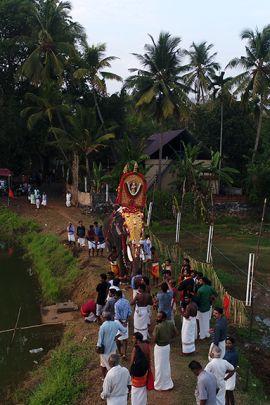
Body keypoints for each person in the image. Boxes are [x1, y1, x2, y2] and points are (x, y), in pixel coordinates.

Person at [97, 312, 127, 378]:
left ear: (104, 318)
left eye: (102, 317)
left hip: (104, 349)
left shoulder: (103, 326)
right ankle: (105, 377)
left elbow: (100, 340)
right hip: (113, 348)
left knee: (105, 365)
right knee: (109, 363)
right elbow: (124, 331)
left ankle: (106, 377)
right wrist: (117, 336)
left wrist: (98, 347)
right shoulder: (116, 324)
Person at [153, 311, 177, 391]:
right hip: (167, 346)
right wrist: (169, 338)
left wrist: (157, 341)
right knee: (166, 365)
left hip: (159, 348)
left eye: (159, 317)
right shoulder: (170, 323)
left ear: (163, 318)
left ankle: (159, 384)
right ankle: (167, 383)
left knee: (159, 366)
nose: (157, 318)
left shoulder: (158, 327)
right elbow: (176, 333)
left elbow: (154, 339)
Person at [130, 332, 150, 405]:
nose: (132, 340)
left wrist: (131, 372)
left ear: (137, 340)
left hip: (136, 374)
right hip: (144, 371)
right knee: (142, 390)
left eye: (133, 338)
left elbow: (132, 362)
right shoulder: (146, 346)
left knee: (135, 392)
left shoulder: (135, 348)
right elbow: (148, 358)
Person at [114, 290, 132, 359]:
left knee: (118, 338)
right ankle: (124, 353)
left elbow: (117, 316)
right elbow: (129, 313)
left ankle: (120, 353)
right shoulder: (127, 301)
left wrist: (121, 323)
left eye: (115, 295)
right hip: (125, 321)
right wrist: (125, 322)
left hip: (118, 322)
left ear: (117, 296)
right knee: (125, 338)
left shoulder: (116, 304)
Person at [224, 337, 238, 405]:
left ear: (233, 344)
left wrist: (226, 378)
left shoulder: (234, 354)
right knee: (226, 391)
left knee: (230, 392)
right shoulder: (226, 351)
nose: (227, 344)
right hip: (225, 374)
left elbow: (233, 369)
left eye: (229, 343)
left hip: (230, 376)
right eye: (226, 343)